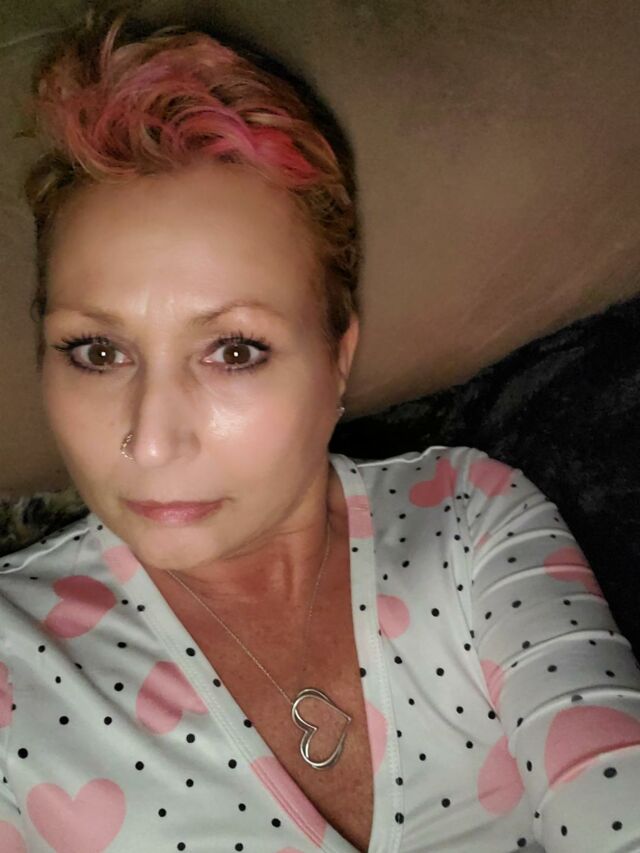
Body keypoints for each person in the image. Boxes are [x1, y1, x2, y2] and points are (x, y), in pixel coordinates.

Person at [1, 8, 640, 853]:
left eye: (234, 350)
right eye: (98, 351)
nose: (150, 442)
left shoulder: (466, 520)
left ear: (337, 357)